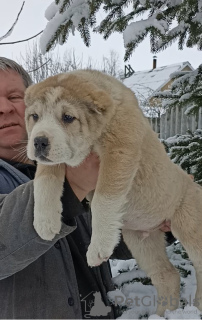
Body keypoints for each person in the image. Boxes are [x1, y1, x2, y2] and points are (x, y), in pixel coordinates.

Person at [0, 57, 175, 319]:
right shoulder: (77, 169)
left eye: (14, 96)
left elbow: (105, 242)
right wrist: (72, 185)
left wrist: (155, 221)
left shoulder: (73, 156)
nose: (3, 108)